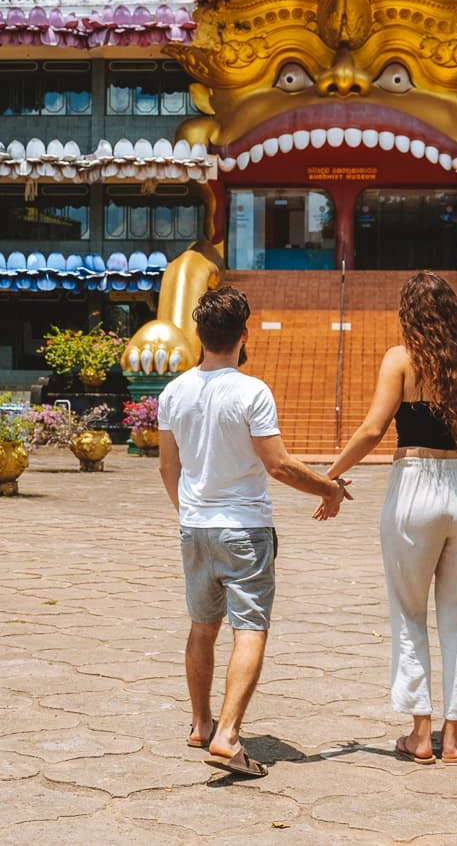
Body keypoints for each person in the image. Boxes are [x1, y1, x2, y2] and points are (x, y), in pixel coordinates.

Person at [158, 284, 348, 777]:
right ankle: (228, 734)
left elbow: (166, 469)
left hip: (195, 527)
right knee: (250, 629)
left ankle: (201, 724)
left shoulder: (173, 391)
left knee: (203, 627)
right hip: (244, 529)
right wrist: (328, 488)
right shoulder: (250, 390)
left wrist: (191, 512)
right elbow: (279, 466)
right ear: (244, 335)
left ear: (199, 335)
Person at [320, 271, 457, 764]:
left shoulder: (402, 359)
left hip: (416, 485)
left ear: (409, 314)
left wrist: (328, 476)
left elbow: (373, 428)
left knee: (409, 614)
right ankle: (452, 738)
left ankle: (419, 733)